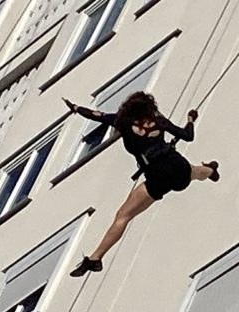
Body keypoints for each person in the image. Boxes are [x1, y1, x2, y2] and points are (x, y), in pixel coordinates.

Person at [63, 92, 220, 277]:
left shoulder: (122, 122)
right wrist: (190, 119)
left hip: (156, 174)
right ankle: (210, 170)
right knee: (192, 172)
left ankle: (96, 258)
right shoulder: (157, 120)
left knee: (123, 215)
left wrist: (75, 108)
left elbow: (96, 115)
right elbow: (187, 136)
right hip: (176, 164)